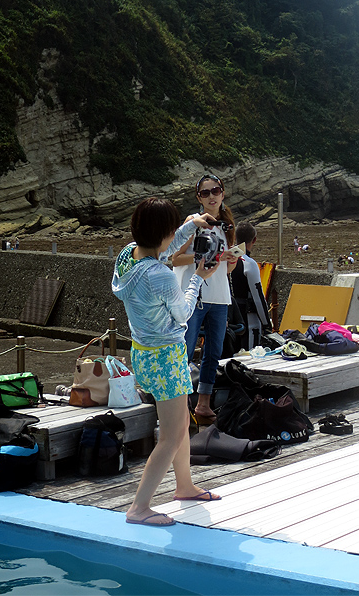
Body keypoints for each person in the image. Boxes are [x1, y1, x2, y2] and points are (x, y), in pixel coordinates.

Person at [111, 197, 222, 527]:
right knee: (171, 435)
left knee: (181, 423)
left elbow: (162, 248)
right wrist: (198, 278)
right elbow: (184, 313)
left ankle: (184, 486)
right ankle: (139, 507)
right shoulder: (159, 276)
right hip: (166, 358)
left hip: (144, 352)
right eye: (173, 228)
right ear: (163, 231)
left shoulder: (128, 256)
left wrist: (192, 225)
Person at [172, 174, 238, 423]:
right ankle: (180, 405)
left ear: (223, 193)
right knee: (185, 351)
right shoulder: (193, 222)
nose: (212, 196)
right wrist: (203, 255)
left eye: (216, 191)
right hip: (192, 295)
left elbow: (227, 270)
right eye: (205, 193)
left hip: (219, 295)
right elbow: (175, 258)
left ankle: (203, 404)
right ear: (198, 197)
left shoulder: (227, 225)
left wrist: (230, 261)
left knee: (214, 352)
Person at [230, 221, 272, 350]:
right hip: (247, 319)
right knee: (248, 361)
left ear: (235, 238)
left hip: (228, 317)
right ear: (254, 240)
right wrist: (267, 325)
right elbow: (258, 297)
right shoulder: (249, 263)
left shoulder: (226, 258)